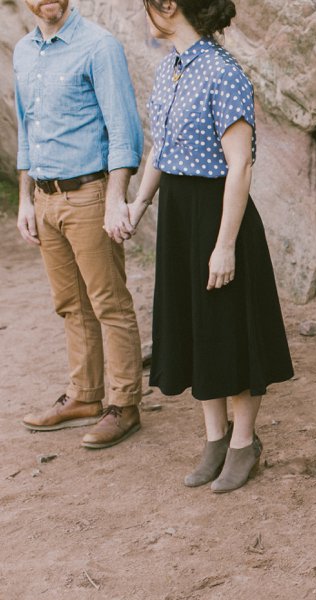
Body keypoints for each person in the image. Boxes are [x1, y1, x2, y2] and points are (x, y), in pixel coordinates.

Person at [130, 0, 294, 493]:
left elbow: (239, 164)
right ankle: (215, 440)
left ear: (169, 6)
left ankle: (244, 445)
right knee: (196, 329)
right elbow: (160, 146)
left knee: (228, 329)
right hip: (179, 215)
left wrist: (225, 245)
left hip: (219, 213)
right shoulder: (171, 68)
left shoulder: (223, 72)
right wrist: (139, 205)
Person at [15, 0, 145, 448]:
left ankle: (124, 404)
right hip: (44, 197)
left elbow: (124, 130)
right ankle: (85, 397)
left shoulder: (99, 46)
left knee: (109, 302)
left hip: (90, 194)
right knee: (70, 303)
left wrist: (115, 199)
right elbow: (26, 131)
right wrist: (24, 200)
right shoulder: (23, 51)